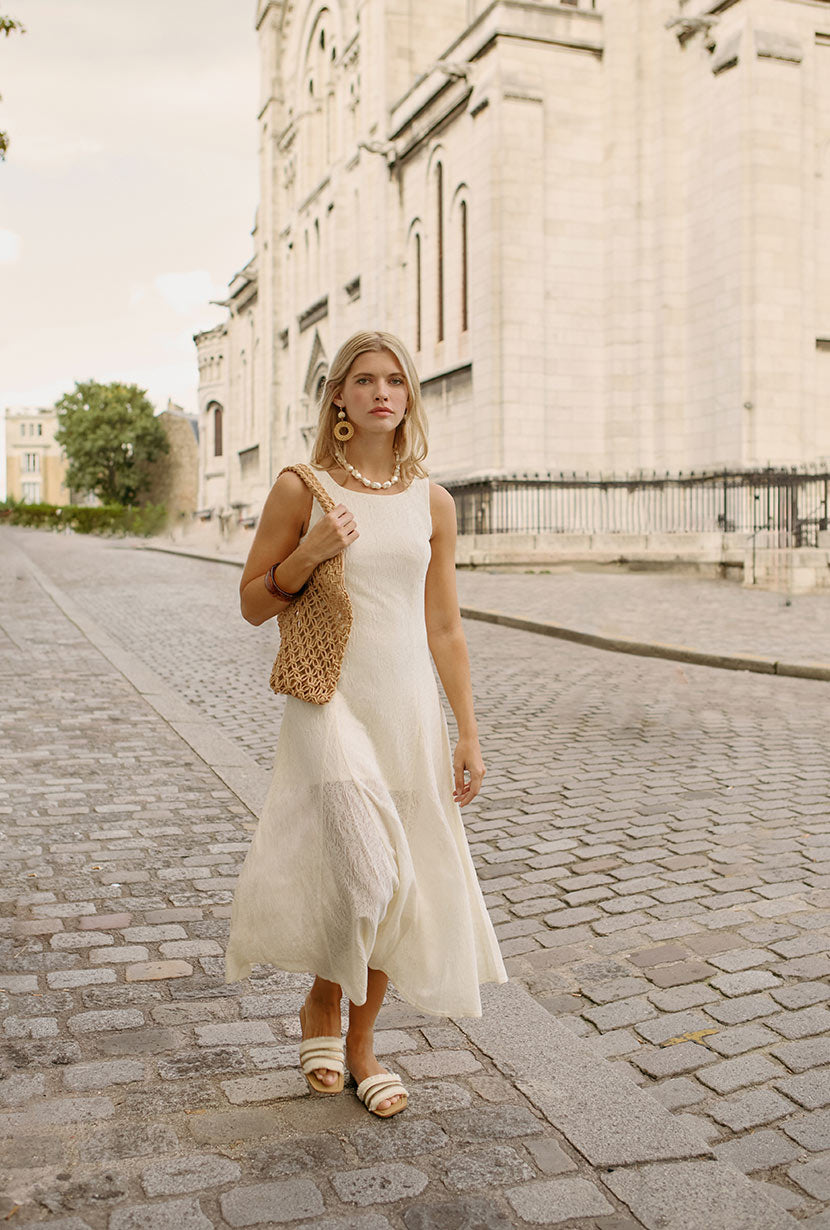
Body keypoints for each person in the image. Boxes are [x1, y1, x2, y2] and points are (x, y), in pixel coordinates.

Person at [225, 330, 507, 1118]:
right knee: (370, 870)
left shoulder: (434, 502)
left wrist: (469, 733)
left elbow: (445, 628)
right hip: (330, 704)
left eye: (396, 381)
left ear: (409, 397)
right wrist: (310, 550)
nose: (382, 392)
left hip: (407, 706)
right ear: (338, 398)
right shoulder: (301, 487)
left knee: (399, 878)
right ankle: (327, 1008)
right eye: (363, 380)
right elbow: (252, 603)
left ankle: (354, 1037)